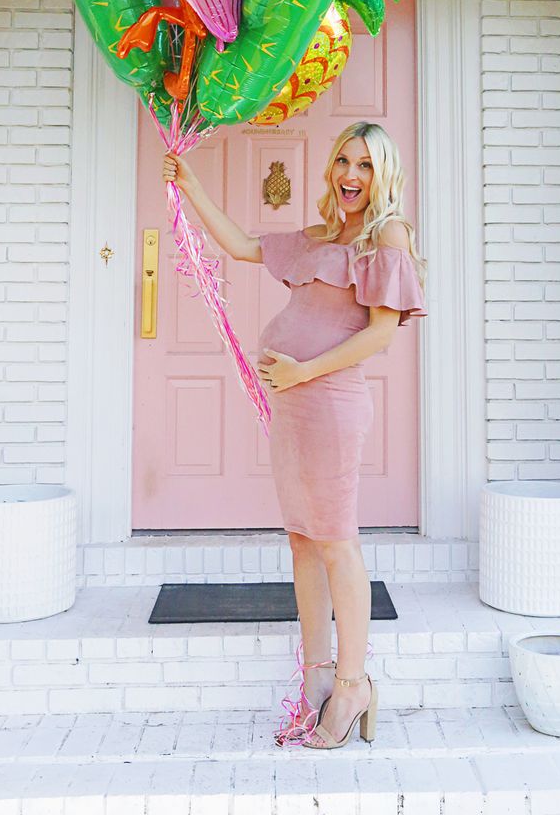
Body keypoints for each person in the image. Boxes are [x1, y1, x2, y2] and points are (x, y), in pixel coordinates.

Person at [163, 120, 426, 749]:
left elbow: (380, 334)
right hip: (294, 411)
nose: (351, 176)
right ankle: (317, 680)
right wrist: (190, 184)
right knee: (303, 542)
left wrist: (303, 369)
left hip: (331, 404)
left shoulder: (384, 235)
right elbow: (241, 245)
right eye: (343, 162)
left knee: (337, 543)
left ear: (382, 175)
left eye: (365, 165)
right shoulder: (316, 236)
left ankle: (356, 683)